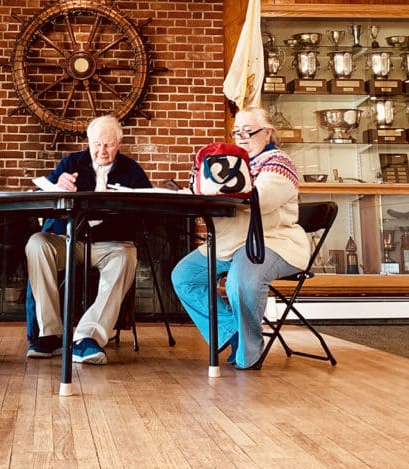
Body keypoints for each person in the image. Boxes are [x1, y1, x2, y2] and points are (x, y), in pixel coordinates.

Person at [171, 106, 310, 370]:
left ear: (268, 133)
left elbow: (261, 200)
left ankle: (249, 353)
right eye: (237, 132)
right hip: (229, 243)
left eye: (249, 131)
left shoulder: (278, 163)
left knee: (240, 280)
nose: (242, 137)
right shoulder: (237, 164)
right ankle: (232, 331)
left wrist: (211, 186)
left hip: (270, 241)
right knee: (184, 276)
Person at [25, 115, 152, 365]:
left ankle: (87, 338)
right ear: (88, 141)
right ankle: (50, 334)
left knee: (127, 256)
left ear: (119, 143)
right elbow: (41, 196)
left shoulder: (131, 170)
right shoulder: (72, 162)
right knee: (37, 243)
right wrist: (56, 185)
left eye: (108, 144)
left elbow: (148, 212)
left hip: (111, 245)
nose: (101, 150)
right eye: (96, 144)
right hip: (69, 241)